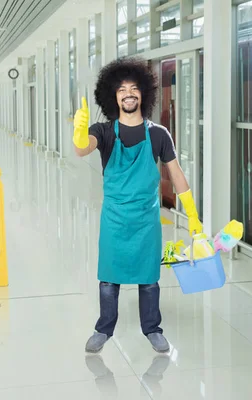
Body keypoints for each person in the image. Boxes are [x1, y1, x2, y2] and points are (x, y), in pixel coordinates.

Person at [72, 57, 203, 353]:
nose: (128, 93)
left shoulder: (158, 134)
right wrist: (79, 133)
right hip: (114, 218)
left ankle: (152, 328)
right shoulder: (103, 131)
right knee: (108, 278)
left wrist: (192, 216)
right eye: (121, 90)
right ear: (113, 97)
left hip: (146, 220)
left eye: (133, 88)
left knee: (149, 280)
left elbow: (177, 174)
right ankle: (104, 329)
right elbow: (83, 149)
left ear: (143, 93)